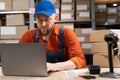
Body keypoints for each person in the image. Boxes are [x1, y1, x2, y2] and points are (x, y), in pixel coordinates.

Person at [19, 0, 86, 72]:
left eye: (47, 19)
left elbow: (80, 60)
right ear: (35, 19)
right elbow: (17, 56)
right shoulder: (29, 35)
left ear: (56, 18)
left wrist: (54, 66)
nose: (43, 24)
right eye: (39, 20)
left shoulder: (67, 34)